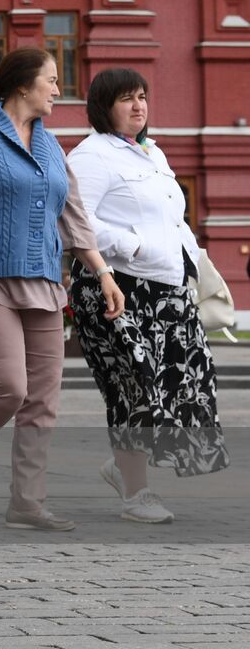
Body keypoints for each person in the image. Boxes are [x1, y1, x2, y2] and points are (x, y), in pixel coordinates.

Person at [0, 46, 123, 531]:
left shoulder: (52, 147)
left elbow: (74, 217)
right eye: (52, 80)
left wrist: (103, 273)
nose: (59, 89)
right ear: (22, 86)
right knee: (10, 387)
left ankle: (26, 503)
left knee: (43, 398)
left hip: (43, 283)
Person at [66, 68, 227, 524]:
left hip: (168, 286)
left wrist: (195, 261)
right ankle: (137, 493)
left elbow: (173, 219)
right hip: (116, 286)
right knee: (132, 384)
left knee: (182, 383)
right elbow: (75, 221)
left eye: (142, 97)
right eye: (125, 99)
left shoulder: (152, 153)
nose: (138, 106)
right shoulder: (91, 156)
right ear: (102, 106)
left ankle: (123, 466)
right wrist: (131, 245)